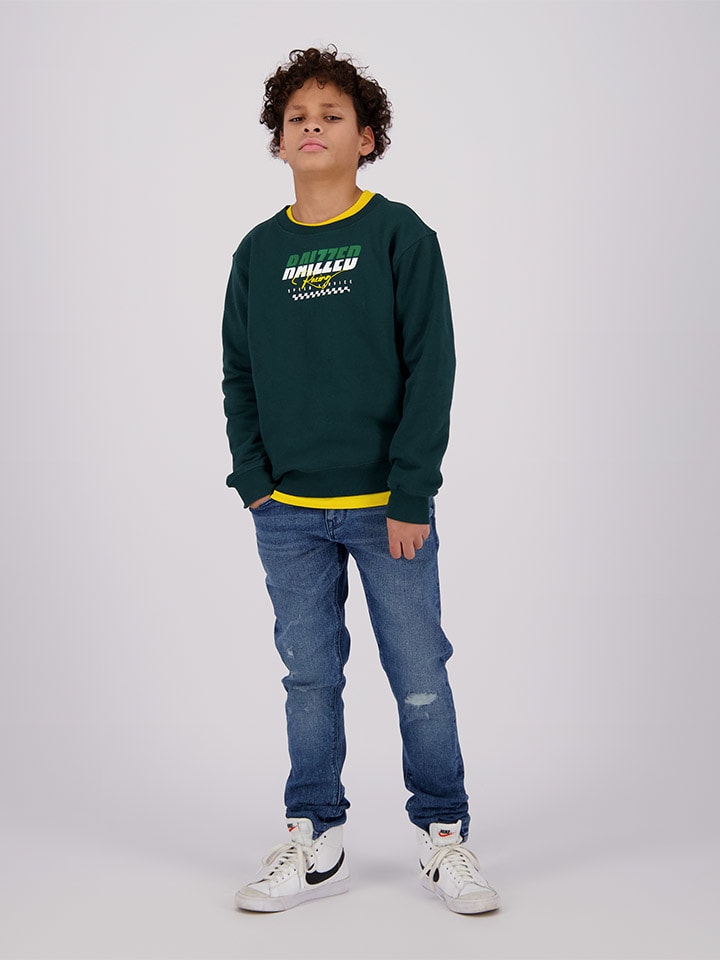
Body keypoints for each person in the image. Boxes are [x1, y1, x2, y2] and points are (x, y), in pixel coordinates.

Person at [221, 46, 499, 915]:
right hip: (288, 513)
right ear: (278, 141)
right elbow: (238, 372)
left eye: (331, 116)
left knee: (419, 672)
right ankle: (316, 836)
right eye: (297, 118)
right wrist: (254, 478)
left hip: (388, 510)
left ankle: (443, 833)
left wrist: (412, 493)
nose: (312, 127)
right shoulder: (258, 252)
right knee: (309, 677)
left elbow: (432, 367)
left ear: (366, 138)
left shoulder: (399, 235)